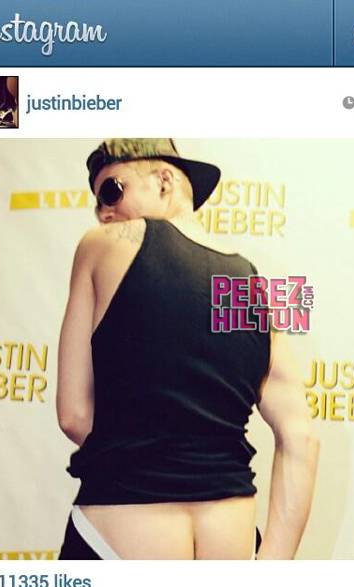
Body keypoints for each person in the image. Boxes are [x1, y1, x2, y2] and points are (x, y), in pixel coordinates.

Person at [56, 139, 319, 560]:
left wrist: (148, 455)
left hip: (123, 526)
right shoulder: (248, 283)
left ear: (163, 181)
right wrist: (273, 569)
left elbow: (74, 415)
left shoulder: (102, 244)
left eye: (112, 191)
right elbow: (300, 436)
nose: (103, 212)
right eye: (98, 204)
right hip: (231, 540)